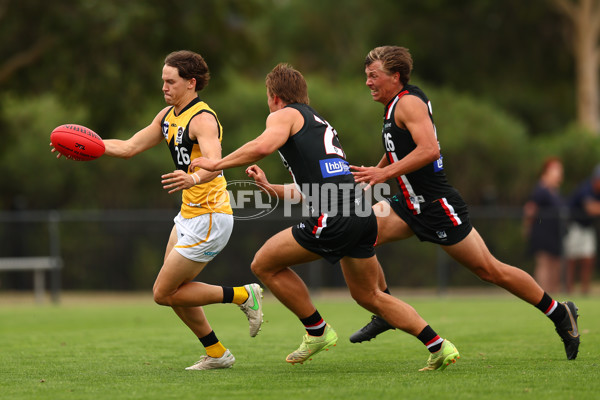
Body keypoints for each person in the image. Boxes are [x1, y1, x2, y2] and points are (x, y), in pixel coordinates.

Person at [190, 63, 460, 371]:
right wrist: (269, 187)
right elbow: (315, 188)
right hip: (360, 211)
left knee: (263, 264)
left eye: (268, 97)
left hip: (335, 214)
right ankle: (438, 345)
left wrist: (215, 164)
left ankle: (316, 330)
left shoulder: (284, 114)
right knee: (369, 295)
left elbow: (262, 146)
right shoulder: (317, 123)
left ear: (276, 97)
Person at [348, 45, 580, 360]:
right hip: (408, 204)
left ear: (396, 76)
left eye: (373, 76)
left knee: (490, 270)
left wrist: (385, 172)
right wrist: (380, 170)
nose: (368, 83)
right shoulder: (394, 106)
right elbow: (401, 148)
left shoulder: (409, 103)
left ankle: (559, 313)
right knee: (356, 229)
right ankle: (385, 308)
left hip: (436, 206)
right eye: (367, 77)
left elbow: (429, 149)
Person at [51, 50, 263, 371]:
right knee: (175, 293)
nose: (164, 86)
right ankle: (218, 353)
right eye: (162, 80)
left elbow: (214, 161)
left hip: (210, 217)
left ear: (191, 83)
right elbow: (128, 147)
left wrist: (192, 176)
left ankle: (242, 295)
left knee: (163, 293)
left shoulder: (202, 119)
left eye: (170, 81)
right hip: (188, 215)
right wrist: (83, 146)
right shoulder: (166, 116)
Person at [522, 157, 566, 293]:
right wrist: (527, 227)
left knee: (556, 265)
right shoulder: (541, 189)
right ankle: (542, 294)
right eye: (556, 169)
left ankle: (553, 296)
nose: (559, 173)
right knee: (544, 263)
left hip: (554, 234)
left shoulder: (555, 191)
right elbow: (530, 209)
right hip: (542, 233)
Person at [564, 164, 600, 295]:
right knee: (572, 260)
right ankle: (568, 290)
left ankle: (585, 290)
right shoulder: (586, 188)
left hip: (587, 228)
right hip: (574, 227)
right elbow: (590, 208)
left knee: (588, 259)